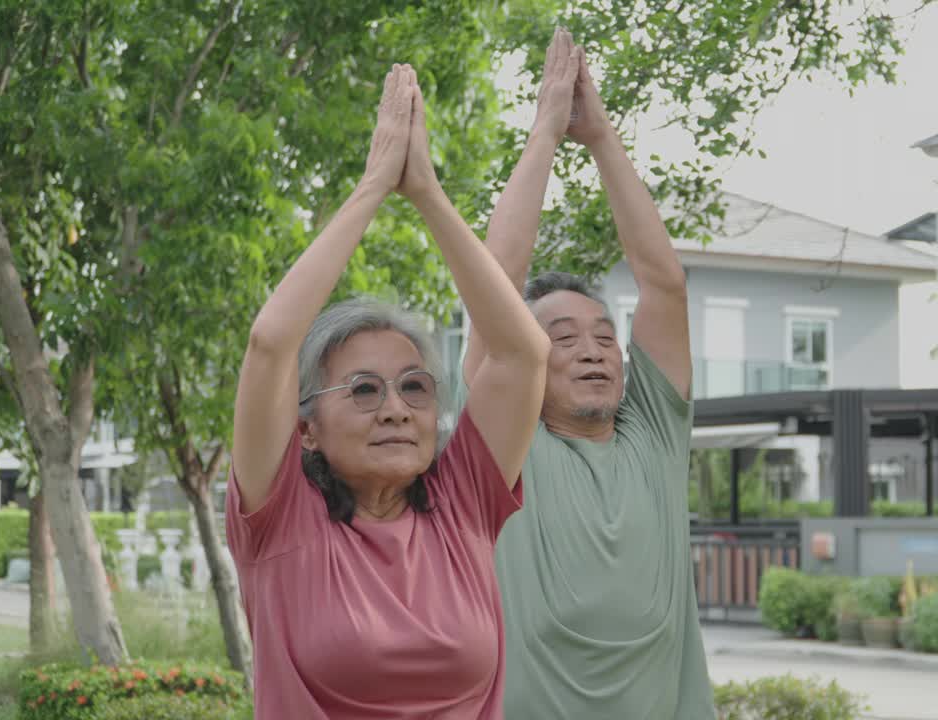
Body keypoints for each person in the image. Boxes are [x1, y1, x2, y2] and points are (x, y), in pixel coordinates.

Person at [227, 63, 549, 719]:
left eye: (414, 387)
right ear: (306, 427)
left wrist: (426, 193)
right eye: (364, 391)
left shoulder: (465, 505)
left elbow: (523, 352)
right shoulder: (278, 518)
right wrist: (375, 185)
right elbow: (269, 345)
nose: (397, 409)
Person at [461, 30, 714, 718]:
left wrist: (601, 137)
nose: (595, 350)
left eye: (606, 337)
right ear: (526, 363)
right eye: (563, 339)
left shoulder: (654, 436)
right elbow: (494, 284)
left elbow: (664, 285)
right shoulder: (504, 454)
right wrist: (545, 129)